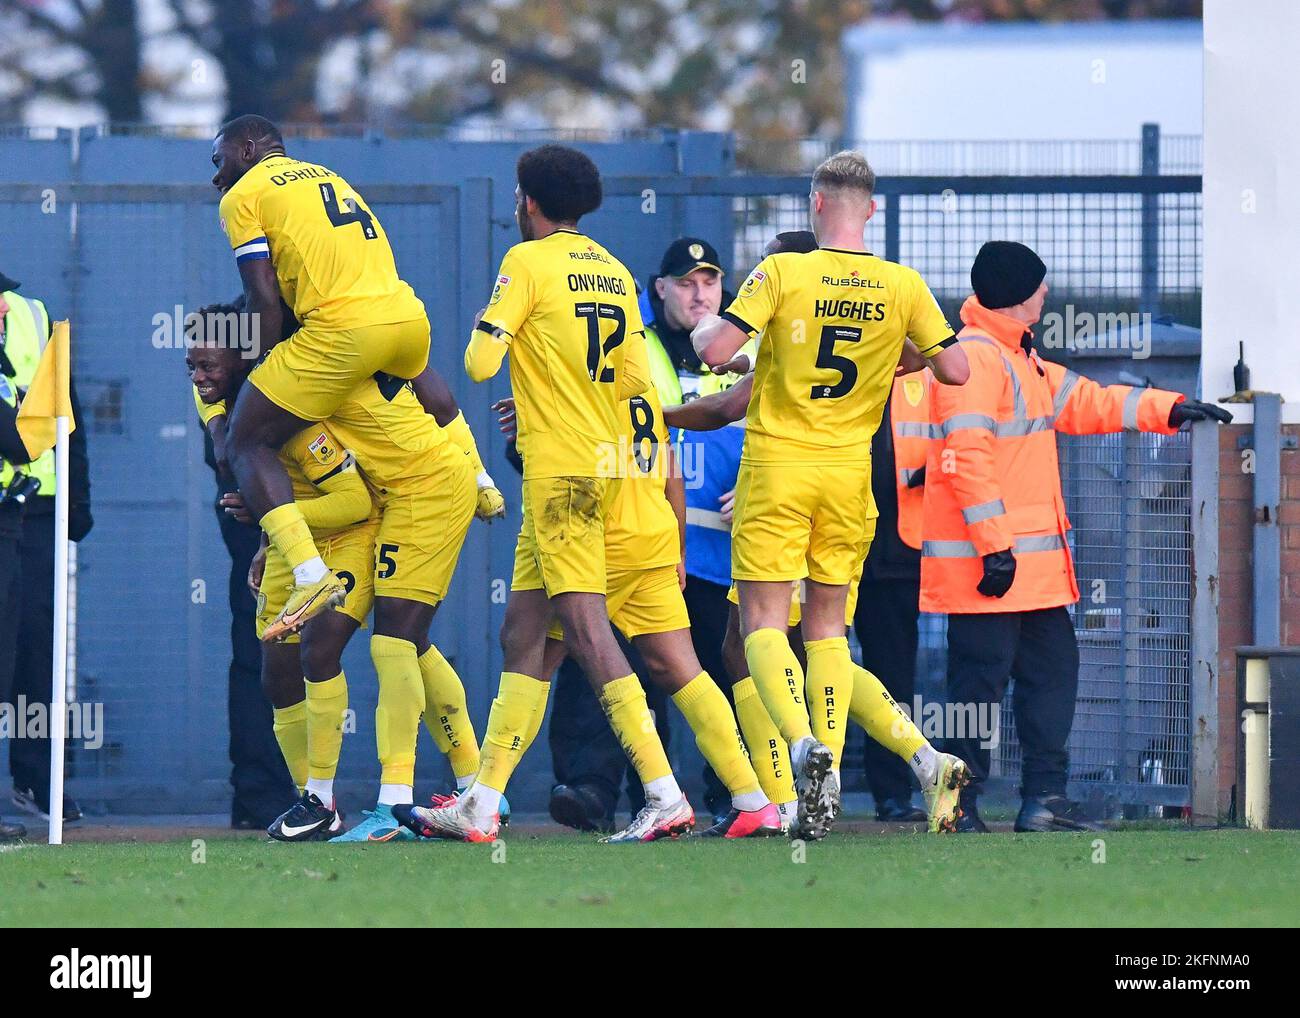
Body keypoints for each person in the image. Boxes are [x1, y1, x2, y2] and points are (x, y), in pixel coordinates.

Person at [394, 144, 689, 845]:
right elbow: (628, 386)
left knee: (587, 634)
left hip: (562, 476)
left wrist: (500, 330)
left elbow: (478, 362)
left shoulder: (525, 263)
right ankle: (484, 801)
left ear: (526, 200)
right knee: (523, 635)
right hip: (608, 466)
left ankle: (664, 791)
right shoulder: (615, 271)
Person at [692, 150, 971, 839]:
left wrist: (706, 328)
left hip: (781, 467)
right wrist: (899, 352)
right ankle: (841, 764)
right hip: (851, 478)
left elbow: (716, 349)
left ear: (815, 204)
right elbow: (955, 367)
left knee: (758, 623)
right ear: (870, 209)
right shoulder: (902, 283)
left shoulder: (784, 271)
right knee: (826, 630)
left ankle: (802, 748)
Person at [922, 240, 1232, 832]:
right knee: (975, 696)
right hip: (988, 571)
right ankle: (957, 807)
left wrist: (1170, 409)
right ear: (1020, 293)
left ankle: (1044, 802)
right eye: (1040, 284)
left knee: (1051, 682)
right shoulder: (973, 360)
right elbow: (968, 456)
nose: (1048, 292)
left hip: (1026, 575)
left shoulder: (1021, 359)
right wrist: (994, 546)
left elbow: (1091, 402)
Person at [666, 364, 974, 835]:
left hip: (787, 500)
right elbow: (934, 358)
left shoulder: (792, 306)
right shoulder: (880, 302)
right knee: (818, 645)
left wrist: (655, 411)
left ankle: (783, 801)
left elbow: (724, 396)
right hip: (849, 498)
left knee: (753, 641)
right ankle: (926, 761)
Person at [491, 388, 780, 838]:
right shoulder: (641, 379)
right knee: (683, 670)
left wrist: (535, 404)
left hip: (600, 546)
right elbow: (672, 472)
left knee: (536, 655)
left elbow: (575, 466)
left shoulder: (580, 384)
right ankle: (753, 799)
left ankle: (484, 795)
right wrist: (678, 548)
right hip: (655, 540)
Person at [210, 114, 434, 641]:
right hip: (407, 321)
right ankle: (479, 478)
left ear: (247, 149)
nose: (216, 178)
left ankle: (312, 575)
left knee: (245, 440)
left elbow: (264, 297)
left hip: (343, 330)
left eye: (219, 162)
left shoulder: (242, 196)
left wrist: (254, 373)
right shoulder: (328, 175)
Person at [0, 273, 92, 827]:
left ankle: (37, 779)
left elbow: (66, 414)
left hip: (36, 508)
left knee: (35, 649)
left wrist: (77, 498)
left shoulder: (33, 313)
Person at [855, 370, 932, 822]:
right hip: (830, 544)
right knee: (808, 665)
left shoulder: (928, 372)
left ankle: (892, 794)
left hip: (895, 553)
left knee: (893, 678)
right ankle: (795, 789)